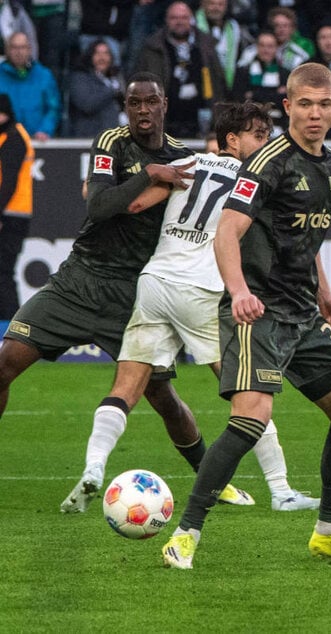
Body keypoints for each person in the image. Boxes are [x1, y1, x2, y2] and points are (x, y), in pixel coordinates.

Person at [161, 63, 331, 570]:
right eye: (304, 104)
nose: (314, 114)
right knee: (250, 418)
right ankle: (185, 534)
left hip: (303, 313)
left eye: (323, 105)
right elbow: (227, 232)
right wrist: (238, 291)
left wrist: (325, 294)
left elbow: (306, 239)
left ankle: (329, 532)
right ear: (288, 107)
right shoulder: (266, 162)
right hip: (258, 310)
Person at [60, 101, 319, 514]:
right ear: (232, 139)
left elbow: (132, 205)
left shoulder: (184, 164)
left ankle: (94, 466)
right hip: (201, 292)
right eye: (258, 135)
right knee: (249, 392)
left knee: (126, 386)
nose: (266, 143)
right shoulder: (259, 180)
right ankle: (282, 490)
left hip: (155, 283)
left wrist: (96, 190)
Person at [0, 74, 201, 494]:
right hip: (79, 279)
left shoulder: (184, 158)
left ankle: (211, 478)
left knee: (163, 399)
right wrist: (150, 174)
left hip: (134, 294)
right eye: (134, 103)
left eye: (151, 102)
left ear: (164, 104)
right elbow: (99, 205)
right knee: (5, 363)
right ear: (125, 107)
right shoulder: (111, 142)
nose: (143, 110)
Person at [136, 1, 228, 139]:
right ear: (166, 20)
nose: (179, 22)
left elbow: (218, 83)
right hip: (165, 123)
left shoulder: (206, 44)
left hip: (202, 121)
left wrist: (218, 121)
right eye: (174, 18)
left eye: (184, 17)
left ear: (191, 20)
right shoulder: (152, 47)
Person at [0, 93, 32, 319]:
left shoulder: (13, 137)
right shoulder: (7, 135)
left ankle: (9, 326)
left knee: (3, 271)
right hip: (10, 212)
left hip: (11, 214)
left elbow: (9, 182)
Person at [0, 32, 60, 140]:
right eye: (14, 47)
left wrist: (45, 130)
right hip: (4, 141)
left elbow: (53, 108)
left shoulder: (44, 75)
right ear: (7, 50)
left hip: (37, 141)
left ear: (29, 50)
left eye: (23, 47)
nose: (19, 52)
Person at [231, 31, 290, 135]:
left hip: (278, 127)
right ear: (257, 47)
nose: (266, 50)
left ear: (276, 48)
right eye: (262, 46)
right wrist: (275, 93)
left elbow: (285, 102)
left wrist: (253, 94)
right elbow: (239, 100)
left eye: (270, 46)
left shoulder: (285, 74)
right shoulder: (243, 72)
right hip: (247, 126)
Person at [67, 40, 125, 138]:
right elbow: (87, 104)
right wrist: (112, 90)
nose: (102, 58)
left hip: (114, 137)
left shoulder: (116, 78)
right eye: (97, 53)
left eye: (106, 53)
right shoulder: (79, 78)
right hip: (89, 138)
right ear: (90, 56)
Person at [195, 0, 254, 92]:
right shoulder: (193, 24)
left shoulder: (234, 27)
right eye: (212, 3)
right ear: (203, 4)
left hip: (226, 84)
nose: (216, 8)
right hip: (200, 83)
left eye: (220, 4)